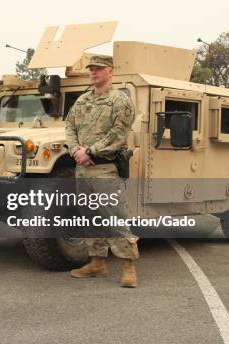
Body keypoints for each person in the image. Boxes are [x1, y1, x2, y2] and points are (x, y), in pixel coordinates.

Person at [64, 55, 139, 288]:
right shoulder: (83, 100)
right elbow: (69, 126)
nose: (93, 72)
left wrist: (91, 151)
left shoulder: (121, 101)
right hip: (82, 169)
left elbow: (118, 135)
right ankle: (97, 262)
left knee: (114, 215)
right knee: (90, 216)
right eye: (91, 69)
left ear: (110, 72)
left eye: (98, 69)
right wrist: (75, 149)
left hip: (105, 168)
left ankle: (128, 266)